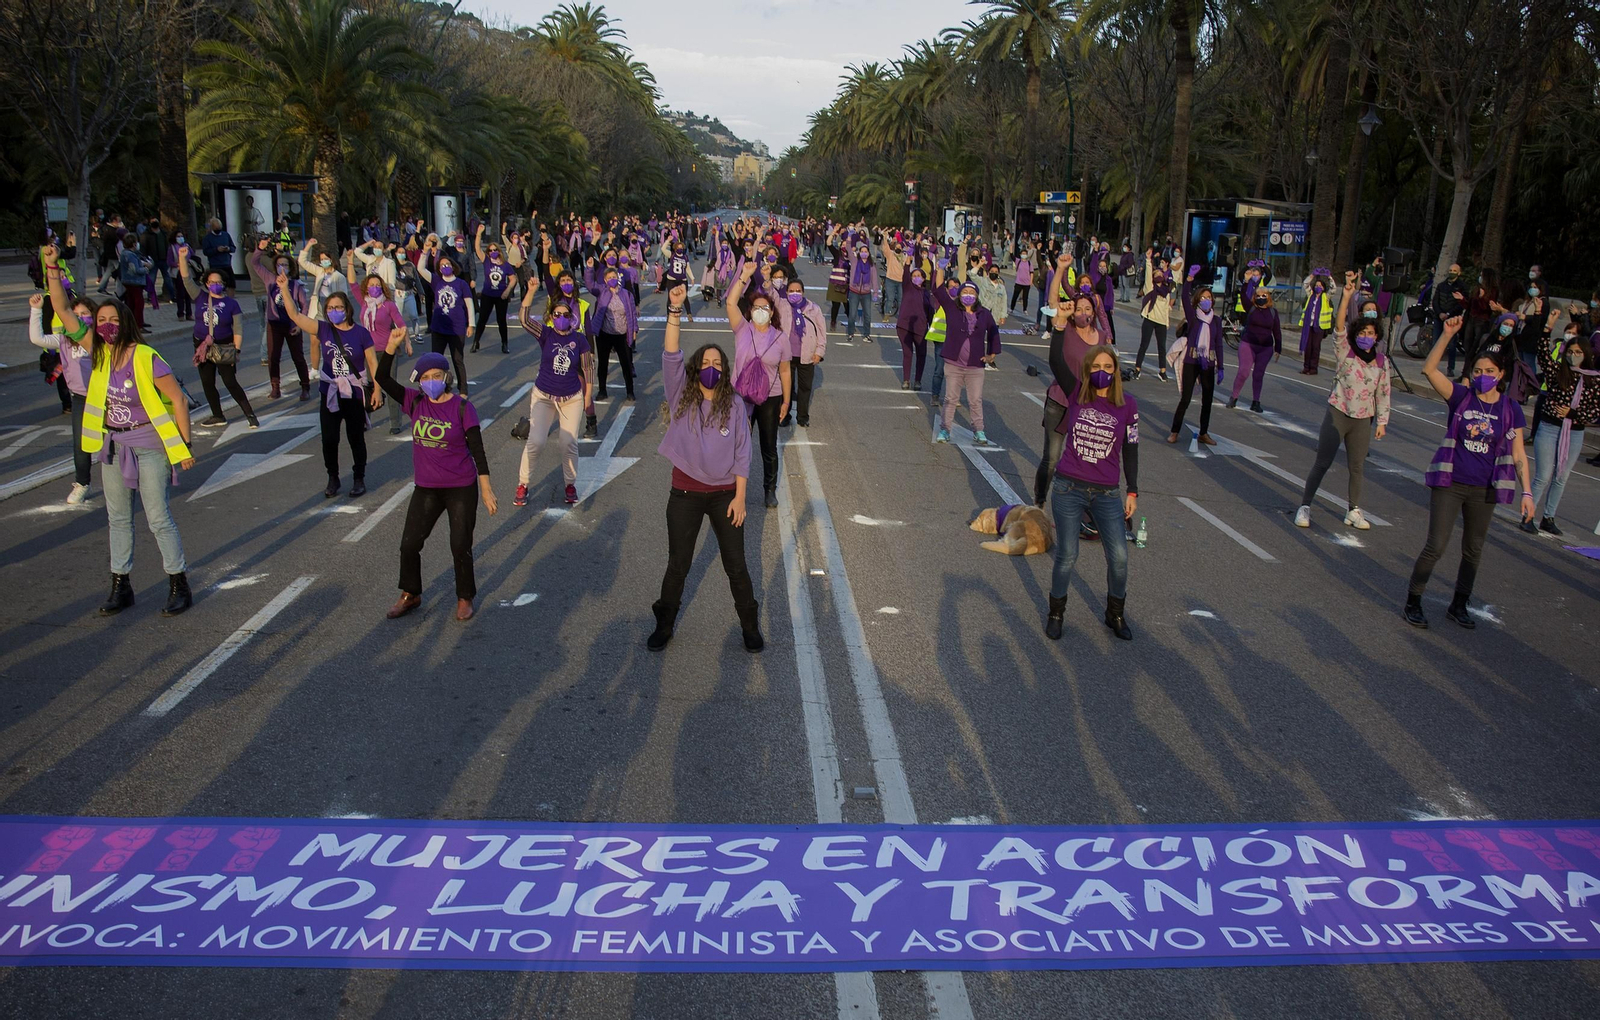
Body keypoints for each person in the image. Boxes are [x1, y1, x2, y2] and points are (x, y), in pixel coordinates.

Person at [43, 243, 195, 616]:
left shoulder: (146, 357)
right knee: (118, 519)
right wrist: (52, 267)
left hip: (150, 445)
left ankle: (179, 584)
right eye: (101, 320)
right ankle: (121, 586)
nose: (106, 325)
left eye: (112, 319)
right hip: (112, 445)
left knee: (157, 517)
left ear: (125, 322)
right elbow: (62, 309)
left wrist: (184, 447)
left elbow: (177, 400)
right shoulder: (97, 351)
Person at [649, 283, 761, 653]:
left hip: (725, 495)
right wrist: (674, 310)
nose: (711, 368)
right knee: (678, 565)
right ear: (696, 369)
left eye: (717, 364)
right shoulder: (681, 394)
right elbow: (670, 353)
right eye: (705, 364)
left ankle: (749, 627)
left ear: (724, 371)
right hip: (685, 493)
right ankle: (664, 625)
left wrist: (740, 498)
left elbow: (743, 453)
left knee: (736, 567)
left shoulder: (735, 405)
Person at [1403, 316, 1535, 629]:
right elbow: (1429, 370)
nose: (1482, 376)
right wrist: (1447, 334)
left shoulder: (1510, 409)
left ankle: (1459, 604)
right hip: (1451, 482)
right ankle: (1413, 601)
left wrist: (1527, 492)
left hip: (1485, 488)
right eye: (1477, 371)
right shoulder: (1461, 397)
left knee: (1473, 550)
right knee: (1436, 545)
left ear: (1500, 374)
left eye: (1489, 371)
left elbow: (1519, 454)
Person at [374, 340, 497, 623]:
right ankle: (410, 593)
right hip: (427, 488)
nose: (431, 382)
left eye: (437, 376)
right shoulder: (414, 401)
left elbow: (478, 451)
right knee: (409, 544)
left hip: (460, 487)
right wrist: (390, 348)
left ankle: (465, 597)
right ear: (419, 382)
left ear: (446, 377)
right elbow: (382, 378)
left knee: (460, 545)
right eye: (426, 377)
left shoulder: (463, 408)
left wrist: (486, 489)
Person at [1044, 344, 1138, 642]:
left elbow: (1131, 449)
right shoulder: (1076, 393)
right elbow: (1056, 360)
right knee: (1067, 555)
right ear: (1087, 370)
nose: (1102, 372)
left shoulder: (1128, 405)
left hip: (1107, 493)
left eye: (1108, 367)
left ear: (1116, 371)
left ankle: (1115, 613)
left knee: (1119, 557)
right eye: (1095, 367)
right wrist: (1059, 328)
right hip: (1068, 488)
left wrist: (1132, 491)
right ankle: (1056, 613)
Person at [1294, 274, 1391, 530]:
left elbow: (1383, 392)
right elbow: (1339, 328)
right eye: (1362, 332)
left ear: (1376, 336)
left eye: (1370, 333)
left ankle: (1353, 510)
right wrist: (1346, 298)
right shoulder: (1345, 352)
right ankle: (1305, 506)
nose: (1366, 336)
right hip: (1338, 412)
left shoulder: (1381, 362)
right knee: (1322, 462)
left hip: (1362, 419)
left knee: (1357, 466)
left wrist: (1382, 421)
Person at [274, 268, 380, 498]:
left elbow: (373, 362)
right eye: (330, 308)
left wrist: (378, 390)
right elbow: (296, 316)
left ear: (347, 309)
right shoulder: (323, 329)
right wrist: (284, 289)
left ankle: (359, 478)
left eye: (338, 307)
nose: (334, 312)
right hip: (330, 390)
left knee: (356, 438)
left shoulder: (361, 333)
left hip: (354, 392)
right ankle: (333, 477)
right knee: (329, 439)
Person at [513, 290, 590, 507]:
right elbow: (524, 320)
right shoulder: (546, 334)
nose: (561, 318)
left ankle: (570, 484)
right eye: (556, 314)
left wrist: (588, 396)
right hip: (544, 396)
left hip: (571, 398)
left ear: (571, 317)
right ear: (551, 316)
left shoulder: (579, 339)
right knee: (536, 441)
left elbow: (587, 368)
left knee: (568, 442)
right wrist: (530, 292)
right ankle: (523, 484)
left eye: (565, 314)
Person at [726, 261, 792, 508]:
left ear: (772, 312)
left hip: (770, 398)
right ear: (750, 311)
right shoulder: (742, 329)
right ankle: (732, 488)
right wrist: (744, 275)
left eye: (765, 307)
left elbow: (785, 371)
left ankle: (769, 489)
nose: (760, 311)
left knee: (768, 445)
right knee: (737, 444)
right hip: (741, 395)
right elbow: (730, 303)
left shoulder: (780, 338)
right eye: (756, 307)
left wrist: (786, 401)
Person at [1522, 328, 1599, 536]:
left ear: (1586, 354)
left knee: (1561, 476)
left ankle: (1549, 517)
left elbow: (1594, 410)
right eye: (1570, 352)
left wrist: (1572, 413)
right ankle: (1528, 516)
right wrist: (1546, 329)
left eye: (1578, 352)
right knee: (1543, 475)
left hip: (1574, 432)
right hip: (1550, 428)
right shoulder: (1558, 371)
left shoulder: (1594, 379)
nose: (1574, 356)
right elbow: (1543, 355)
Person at [1035, 286, 1102, 508]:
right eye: (1079, 309)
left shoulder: (1102, 338)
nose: (1083, 313)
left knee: (1083, 460)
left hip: (1085, 407)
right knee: (1052, 458)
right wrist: (1061, 269)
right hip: (1059, 402)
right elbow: (1053, 304)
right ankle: (1039, 503)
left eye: (1087, 308)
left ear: (1094, 311)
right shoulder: (1066, 330)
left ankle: (1077, 508)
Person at [28, 291, 97, 504]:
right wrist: (36, 310)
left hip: (106, 397)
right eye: (76, 315)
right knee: (80, 443)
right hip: (80, 398)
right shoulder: (64, 340)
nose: (80, 318)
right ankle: (82, 483)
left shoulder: (98, 339)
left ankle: (126, 474)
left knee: (114, 440)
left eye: (85, 314)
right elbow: (37, 338)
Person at [177, 250, 259, 429]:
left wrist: (237, 350)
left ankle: (250, 414)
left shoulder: (232, 304)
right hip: (202, 346)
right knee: (207, 382)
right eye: (212, 282)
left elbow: (238, 328)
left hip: (224, 347)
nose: (215, 285)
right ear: (206, 284)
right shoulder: (200, 297)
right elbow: (186, 279)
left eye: (219, 282)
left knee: (230, 382)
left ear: (224, 284)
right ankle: (217, 415)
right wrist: (182, 258)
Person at [932, 271, 1001, 445]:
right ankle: (945, 430)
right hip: (954, 364)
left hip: (975, 365)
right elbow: (939, 290)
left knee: (975, 400)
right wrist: (940, 269)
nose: (968, 295)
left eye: (971, 293)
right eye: (965, 292)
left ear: (977, 296)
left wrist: (991, 355)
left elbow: (994, 332)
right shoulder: (952, 309)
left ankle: (979, 430)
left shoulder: (984, 314)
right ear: (959, 294)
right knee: (950, 399)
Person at [1167, 264, 1225, 445]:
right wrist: (1189, 279)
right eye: (1203, 297)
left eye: (1209, 297)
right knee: (1185, 398)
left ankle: (1203, 433)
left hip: (1208, 362)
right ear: (1198, 300)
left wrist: (1221, 367)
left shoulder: (1216, 321)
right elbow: (1184, 297)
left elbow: (1218, 344)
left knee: (1207, 399)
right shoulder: (1193, 317)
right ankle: (1174, 431)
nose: (1206, 300)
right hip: (1191, 361)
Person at [415, 238, 476, 394]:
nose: (445, 267)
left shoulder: (461, 284)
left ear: (453, 266)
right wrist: (425, 252)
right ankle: (437, 387)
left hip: (457, 328)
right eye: (442, 265)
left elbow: (469, 304)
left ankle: (463, 390)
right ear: (439, 269)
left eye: (447, 264)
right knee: (436, 360)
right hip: (439, 327)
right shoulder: (436, 281)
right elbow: (420, 269)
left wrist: (471, 324)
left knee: (458, 360)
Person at [882, 237, 931, 391]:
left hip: (921, 328)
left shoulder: (926, 293)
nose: (916, 278)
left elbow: (930, 310)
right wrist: (908, 259)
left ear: (924, 279)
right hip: (905, 326)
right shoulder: (908, 287)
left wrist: (930, 326)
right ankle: (906, 380)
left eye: (919, 276)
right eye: (914, 276)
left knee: (921, 354)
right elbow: (905, 273)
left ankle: (918, 380)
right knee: (907, 353)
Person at [777, 275, 826, 428]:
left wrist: (819, 351)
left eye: (798, 291)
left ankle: (802, 416)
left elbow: (821, 332)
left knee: (805, 387)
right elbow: (770, 294)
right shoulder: (782, 305)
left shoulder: (813, 309)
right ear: (786, 292)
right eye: (791, 291)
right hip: (786, 355)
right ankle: (784, 415)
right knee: (786, 387)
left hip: (807, 355)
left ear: (803, 292)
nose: (795, 293)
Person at [585, 264, 638, 403]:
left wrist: (634, 330)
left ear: (618, 278)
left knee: (626, 363)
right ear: (605, 280)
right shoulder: (602, 291)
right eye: (609, 278)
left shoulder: (626, 294)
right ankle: (602, 390)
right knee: (603, 363)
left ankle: (630, 391)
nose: (612, 279)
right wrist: (589, 269)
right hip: (605, 334)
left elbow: (632, 313)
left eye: (614, 277)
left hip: (623, 334)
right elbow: (590, 285)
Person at [264, 251, 312, 402]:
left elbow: (304, 306)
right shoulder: (270, 281)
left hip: (292, 325)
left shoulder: (296, 285)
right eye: (279, 265)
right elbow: (254, 263)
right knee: (273, 356)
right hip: (274, 325)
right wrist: (260, 248)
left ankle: (305, 387)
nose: (282, 267)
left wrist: (300, 324)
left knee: (298, 357)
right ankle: (275, 387)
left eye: (285, 264)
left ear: (290, 267)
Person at [1228, 280, 1283, 412]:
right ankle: (1234, 397)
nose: (1261, 298)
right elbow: (1243, 296)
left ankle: (1256, 402)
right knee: (1243, 372)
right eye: (1258, 295)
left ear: (1268, 297)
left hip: (1265, 348)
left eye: (1264, 295)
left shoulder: (1273, 312)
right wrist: (1246, 282)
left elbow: (1277, 331)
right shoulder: (1251, 308)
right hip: (1248, 344)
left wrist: (1278, 349)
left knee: (1258, 374)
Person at [471, 224, 517, 353]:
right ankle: (476, 342)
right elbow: (477, 248)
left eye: (495, 250)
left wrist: (507, 291)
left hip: (501, 296)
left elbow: (513, 279)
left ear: (499, 251)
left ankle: (504, 343)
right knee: (482, 319)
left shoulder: (505, 265)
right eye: (490, 250)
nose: (493, 252)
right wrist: (479, 233)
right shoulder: (486, 261)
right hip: (487, 295)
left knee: (501, 320)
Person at [1134, 250, 1174, 381]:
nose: (1158, 275)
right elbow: (1147, 275)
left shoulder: (1166, 291)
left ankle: (1162, 371)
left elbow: (1166, 309)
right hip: (1149, 319)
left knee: (1162, 347)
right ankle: (1137, 369)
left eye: (1160, 274)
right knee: (1144, 345)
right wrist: (1148, 260)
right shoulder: (1150, 288)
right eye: (1156, 274)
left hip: (1161, 322)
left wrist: (1167, 323)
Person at [1298, 268, 1335, 374]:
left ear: (1323, 288)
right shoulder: (1310, 295)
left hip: (1319, 326)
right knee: (1308, 346)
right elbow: (1305, 284)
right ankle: (1306, 367)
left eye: (1320, 286)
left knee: (1315, 347)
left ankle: (1313, 368)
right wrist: (1312, 275)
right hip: (1308, 325)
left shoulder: (1326, 297)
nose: (1318, 287)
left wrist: (1329, 277)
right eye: (1316, 285)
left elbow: (1333, 289)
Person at [844, 237, 878, 344]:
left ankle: (867, 334)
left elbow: (874, 279)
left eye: (865, 251)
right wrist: (849, 240)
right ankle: (850, 333)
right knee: (852, 314)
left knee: (867, 315)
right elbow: (849, 249)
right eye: (862, 251)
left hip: (866, 293)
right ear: (859, 253)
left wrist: (875, 293)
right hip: (854, 291)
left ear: (868, 253)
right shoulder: (854, 261)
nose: (864, 253)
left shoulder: (871, 266)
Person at [117, 237, 153, 333]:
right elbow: (135, 269)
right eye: (136, 242)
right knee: (138, 303)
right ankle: (138, 324)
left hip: (128, 281)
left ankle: (134, 322)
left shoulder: (125, 253)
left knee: (131, 303)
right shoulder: (130, 255)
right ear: (133, 244)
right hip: (134, 281)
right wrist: (146, 269)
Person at [200, 218, 237, 294]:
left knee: (231, 285)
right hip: (215, 265)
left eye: (219, 228)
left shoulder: (226, 235)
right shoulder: (207, 238)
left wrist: (228, 248)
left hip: (226, 264)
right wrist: (216, 249)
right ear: (212, 228)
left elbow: (233, 248)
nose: (218, 230)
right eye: (216, 228)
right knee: (216, 285)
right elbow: (206, 252)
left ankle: (230, 300)